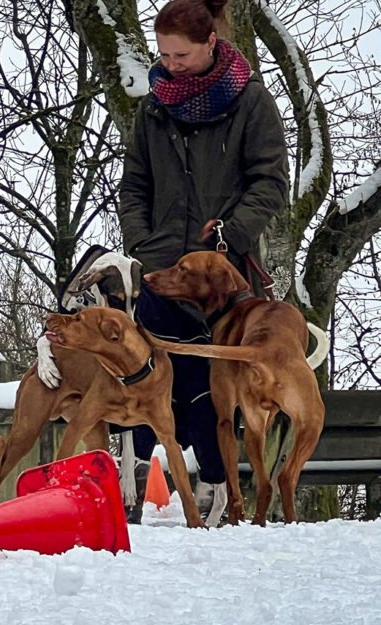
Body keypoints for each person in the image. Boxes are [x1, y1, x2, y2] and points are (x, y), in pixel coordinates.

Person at [117, 0, 288, 522]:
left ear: (211, 42)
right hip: (162, 271)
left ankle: (219, 488)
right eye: (164, 54)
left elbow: (270, 183)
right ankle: (131, 496)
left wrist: (232, 235)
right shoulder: (153, 109)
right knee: (147, 373)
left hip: (222, 277)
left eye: (182, 54)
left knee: (211, 386)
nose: (171, 64)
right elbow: (134, 187)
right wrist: (145, 247)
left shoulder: (253, 103)